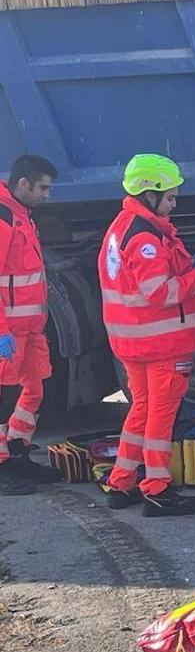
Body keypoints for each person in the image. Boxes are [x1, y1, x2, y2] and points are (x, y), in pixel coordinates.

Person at [98, 154, 195, 517]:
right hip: (162, 343)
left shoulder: (123, 226)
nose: (175, 203)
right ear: (150, 193)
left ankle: (121, 481)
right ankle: (157, 489)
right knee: (160, 415)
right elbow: (161, 293)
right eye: (171, 197)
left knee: (143, 410)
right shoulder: (145, 237)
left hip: (135, 341)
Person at [0, 155, 60, 496]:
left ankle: (17, 451)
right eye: (43, 188)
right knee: (4, 398)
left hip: (30, 328)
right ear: (23, 184)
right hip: (10, 330)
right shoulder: (5, 216)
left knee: (34, 389)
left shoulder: (21, 215)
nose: (47, 195)